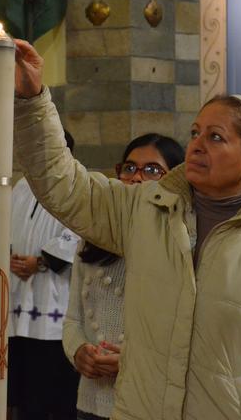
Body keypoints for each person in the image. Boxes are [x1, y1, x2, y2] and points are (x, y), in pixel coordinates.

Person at [13, 38, 241, 419]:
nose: (197, 145)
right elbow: (64, 185)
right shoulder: (143, 209)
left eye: (215, 137)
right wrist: (33, 100)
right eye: (195, 133)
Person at [63, 133, 185, 420]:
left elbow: (183, 333)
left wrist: (133, 361)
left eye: (152, 170)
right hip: (92, 399)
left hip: (146, 402)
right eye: (129, 168)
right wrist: (78, 351)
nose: (136, 178)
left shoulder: (177, 243)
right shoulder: (93, 237)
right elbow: (73, 318)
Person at [7, 130, 81, 420]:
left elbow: (78, 236)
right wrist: (9, 257)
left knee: (57, 394)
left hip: (54, 298)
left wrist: (38, 262)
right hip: (18, 296)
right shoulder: (21, 187)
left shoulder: (75, 186)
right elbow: (3, 225)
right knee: (26, 394)